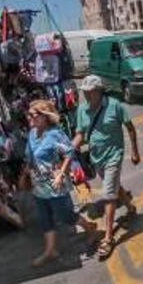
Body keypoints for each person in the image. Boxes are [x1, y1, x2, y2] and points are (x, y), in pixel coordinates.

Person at [73, 75, 140, 260]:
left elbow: (130, 127)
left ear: (99, 91)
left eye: (90, 92)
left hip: (114, 155)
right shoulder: (82, 110)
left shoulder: (115, 105)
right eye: (84, 92)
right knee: (114, 186)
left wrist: (134, 151)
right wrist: (72, 147)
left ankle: (109, 237)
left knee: (108, 194)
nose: (86, 96)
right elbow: (80, 133)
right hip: (97, 157)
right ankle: (130, 206)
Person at [25, 99, 97, 266]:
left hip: (55, 185)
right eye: (28, 115)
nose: (29, 118)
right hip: (38, 185)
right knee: (45, 218)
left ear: (44, 117)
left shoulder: (54, 134)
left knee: (66, 215)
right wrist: (24, 175)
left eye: (33, 115)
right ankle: (50, 250)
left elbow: (69, 153)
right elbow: (29, 157)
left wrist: (60, 175)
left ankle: (89, 228)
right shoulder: (31, 134)